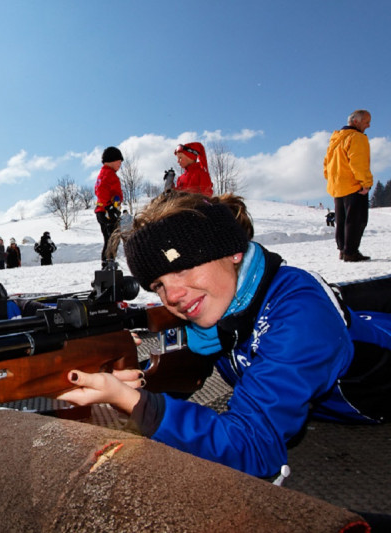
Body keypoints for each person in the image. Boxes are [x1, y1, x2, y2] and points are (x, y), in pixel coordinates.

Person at [58, 192, 391, 479]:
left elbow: (255, 448)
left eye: (181, 268)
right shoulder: (223, 307)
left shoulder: (299, 316)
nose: (172, 296)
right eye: (158, 285)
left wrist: (136, 403)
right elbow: (185, 364)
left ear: (233, 251)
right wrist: (138, 371)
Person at [323, 109, 373, 262]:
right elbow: (359, 163)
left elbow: (326, 164)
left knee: (342, 220)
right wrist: (365, 183)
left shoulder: (335, 140)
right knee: (357, 220)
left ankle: (343, 250)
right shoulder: (356, 138)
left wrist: (332, 181)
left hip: (338, 187)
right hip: (353, 186)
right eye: (366, 122)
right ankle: (351, 252)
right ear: (355, 121)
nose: (369, 125)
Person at [94, 147, 124, 265]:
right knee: (112, 237)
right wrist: (109, 207)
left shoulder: (107, 173)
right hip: (106, 211)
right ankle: (108, 261)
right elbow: (100, 191)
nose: (120, 165)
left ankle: (108, 261)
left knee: (110, 237)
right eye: (119, 162)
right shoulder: (107, 174)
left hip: (106, 209)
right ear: (111, 160)